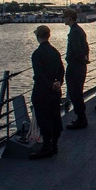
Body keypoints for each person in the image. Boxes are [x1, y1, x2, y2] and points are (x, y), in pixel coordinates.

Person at [29, 26, 64, 160]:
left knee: (44, 118)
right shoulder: (55, 52)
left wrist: (49, 84)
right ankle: (54, 144)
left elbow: (39, 75)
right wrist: (58, 82)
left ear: (38, 36)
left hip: (42, 91)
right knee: (55, 116)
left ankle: (46, 146)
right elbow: (61, 69)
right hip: (55, 90)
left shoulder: (37, 54)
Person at [63, 8, 89, 128]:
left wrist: (71, 58)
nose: (63, 19)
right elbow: (85, 48)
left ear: (69, 18)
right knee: (77, 92)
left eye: (64, 17)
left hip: (75, 66)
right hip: (80, 65)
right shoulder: (79, 30)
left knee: (75, 93)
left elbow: (77, 50)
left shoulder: (74, 32)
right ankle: (81, 117)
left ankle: (81, 118)